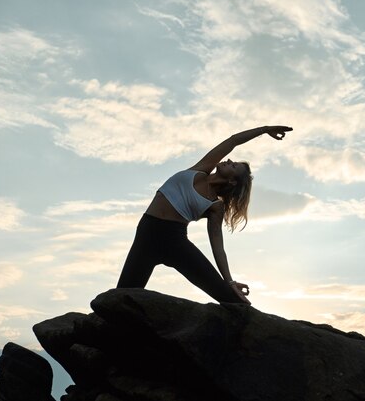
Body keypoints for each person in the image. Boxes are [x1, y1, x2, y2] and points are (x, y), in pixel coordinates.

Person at [116, 125, 293, 304]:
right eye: (232, 161)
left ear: (232, 181)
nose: (229, 160)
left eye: (233, 165)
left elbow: (218, 247)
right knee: (119, 298)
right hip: (147, 233)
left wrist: (229, 281)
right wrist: (264, 129)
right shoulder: (202, 169)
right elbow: (233, 141)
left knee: (229, 298)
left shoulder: (215, 206)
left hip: (174, 241)